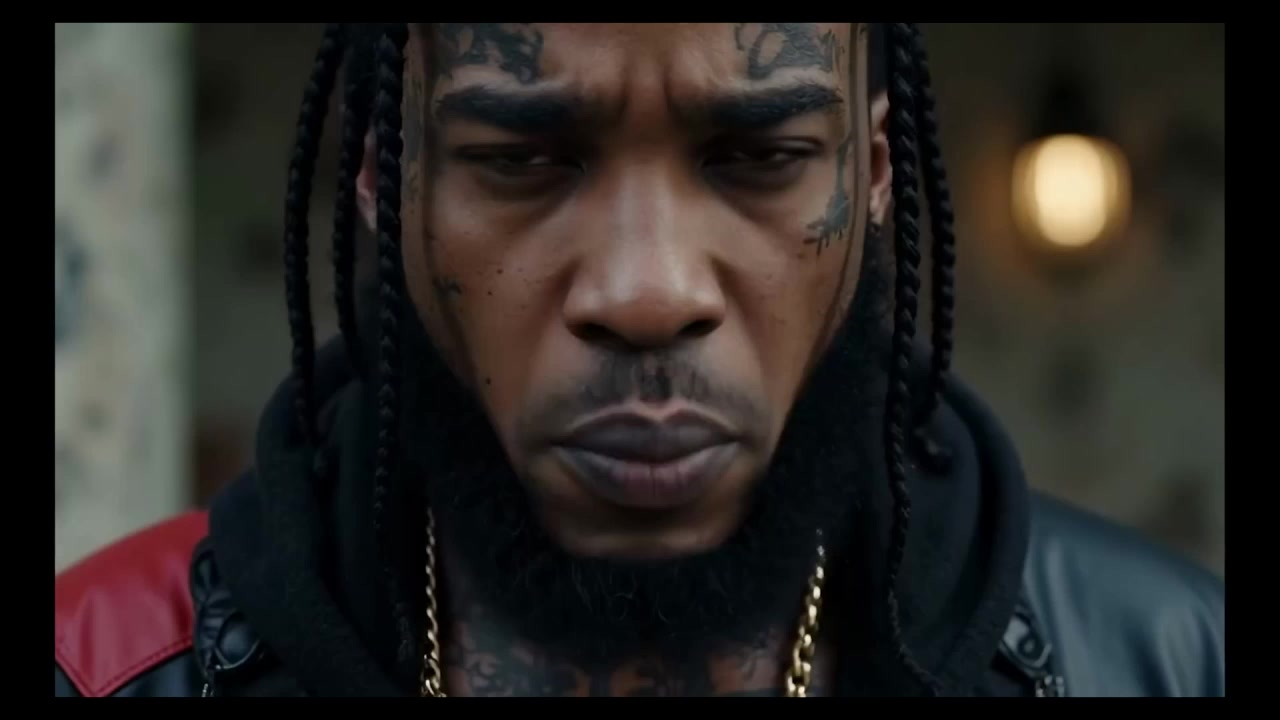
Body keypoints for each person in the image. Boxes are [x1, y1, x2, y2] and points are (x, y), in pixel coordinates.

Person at [53, 23, 1224, 698]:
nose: (648, 293)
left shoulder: (1164, 663)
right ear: (378, 177)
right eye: (522, 160)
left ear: (870, 175)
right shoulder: (101, 667)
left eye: (757, 156)